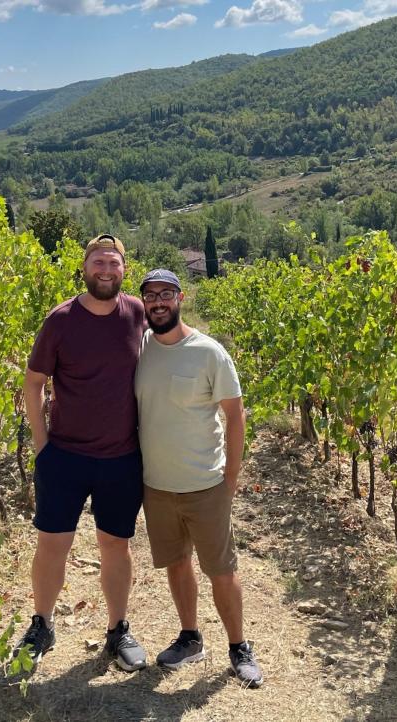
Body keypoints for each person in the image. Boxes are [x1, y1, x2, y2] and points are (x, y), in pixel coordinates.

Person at [16, 234, 148, 672]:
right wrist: (42, 446)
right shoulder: (60, 321)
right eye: (98, 262)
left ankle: (118, 629)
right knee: (53, 544)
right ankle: (42, 623)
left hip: (121, 457)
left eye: (113, 262)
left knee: (116, 545)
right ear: (84, 267)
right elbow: (33, 383)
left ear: (124, 269)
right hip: (65, 457)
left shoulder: (137, 314)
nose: (105, 269)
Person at [134, 268, 264, 688]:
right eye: (150, 295)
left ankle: (239, 647)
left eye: (166, 294)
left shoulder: (209, 352)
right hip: (157, 487)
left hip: (206, 485)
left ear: (180, 297)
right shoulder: (141, 349)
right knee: (176, 565)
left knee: (221, 571)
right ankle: (190, 637)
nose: (158, 302)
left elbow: (235, 416)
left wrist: (230, 478)